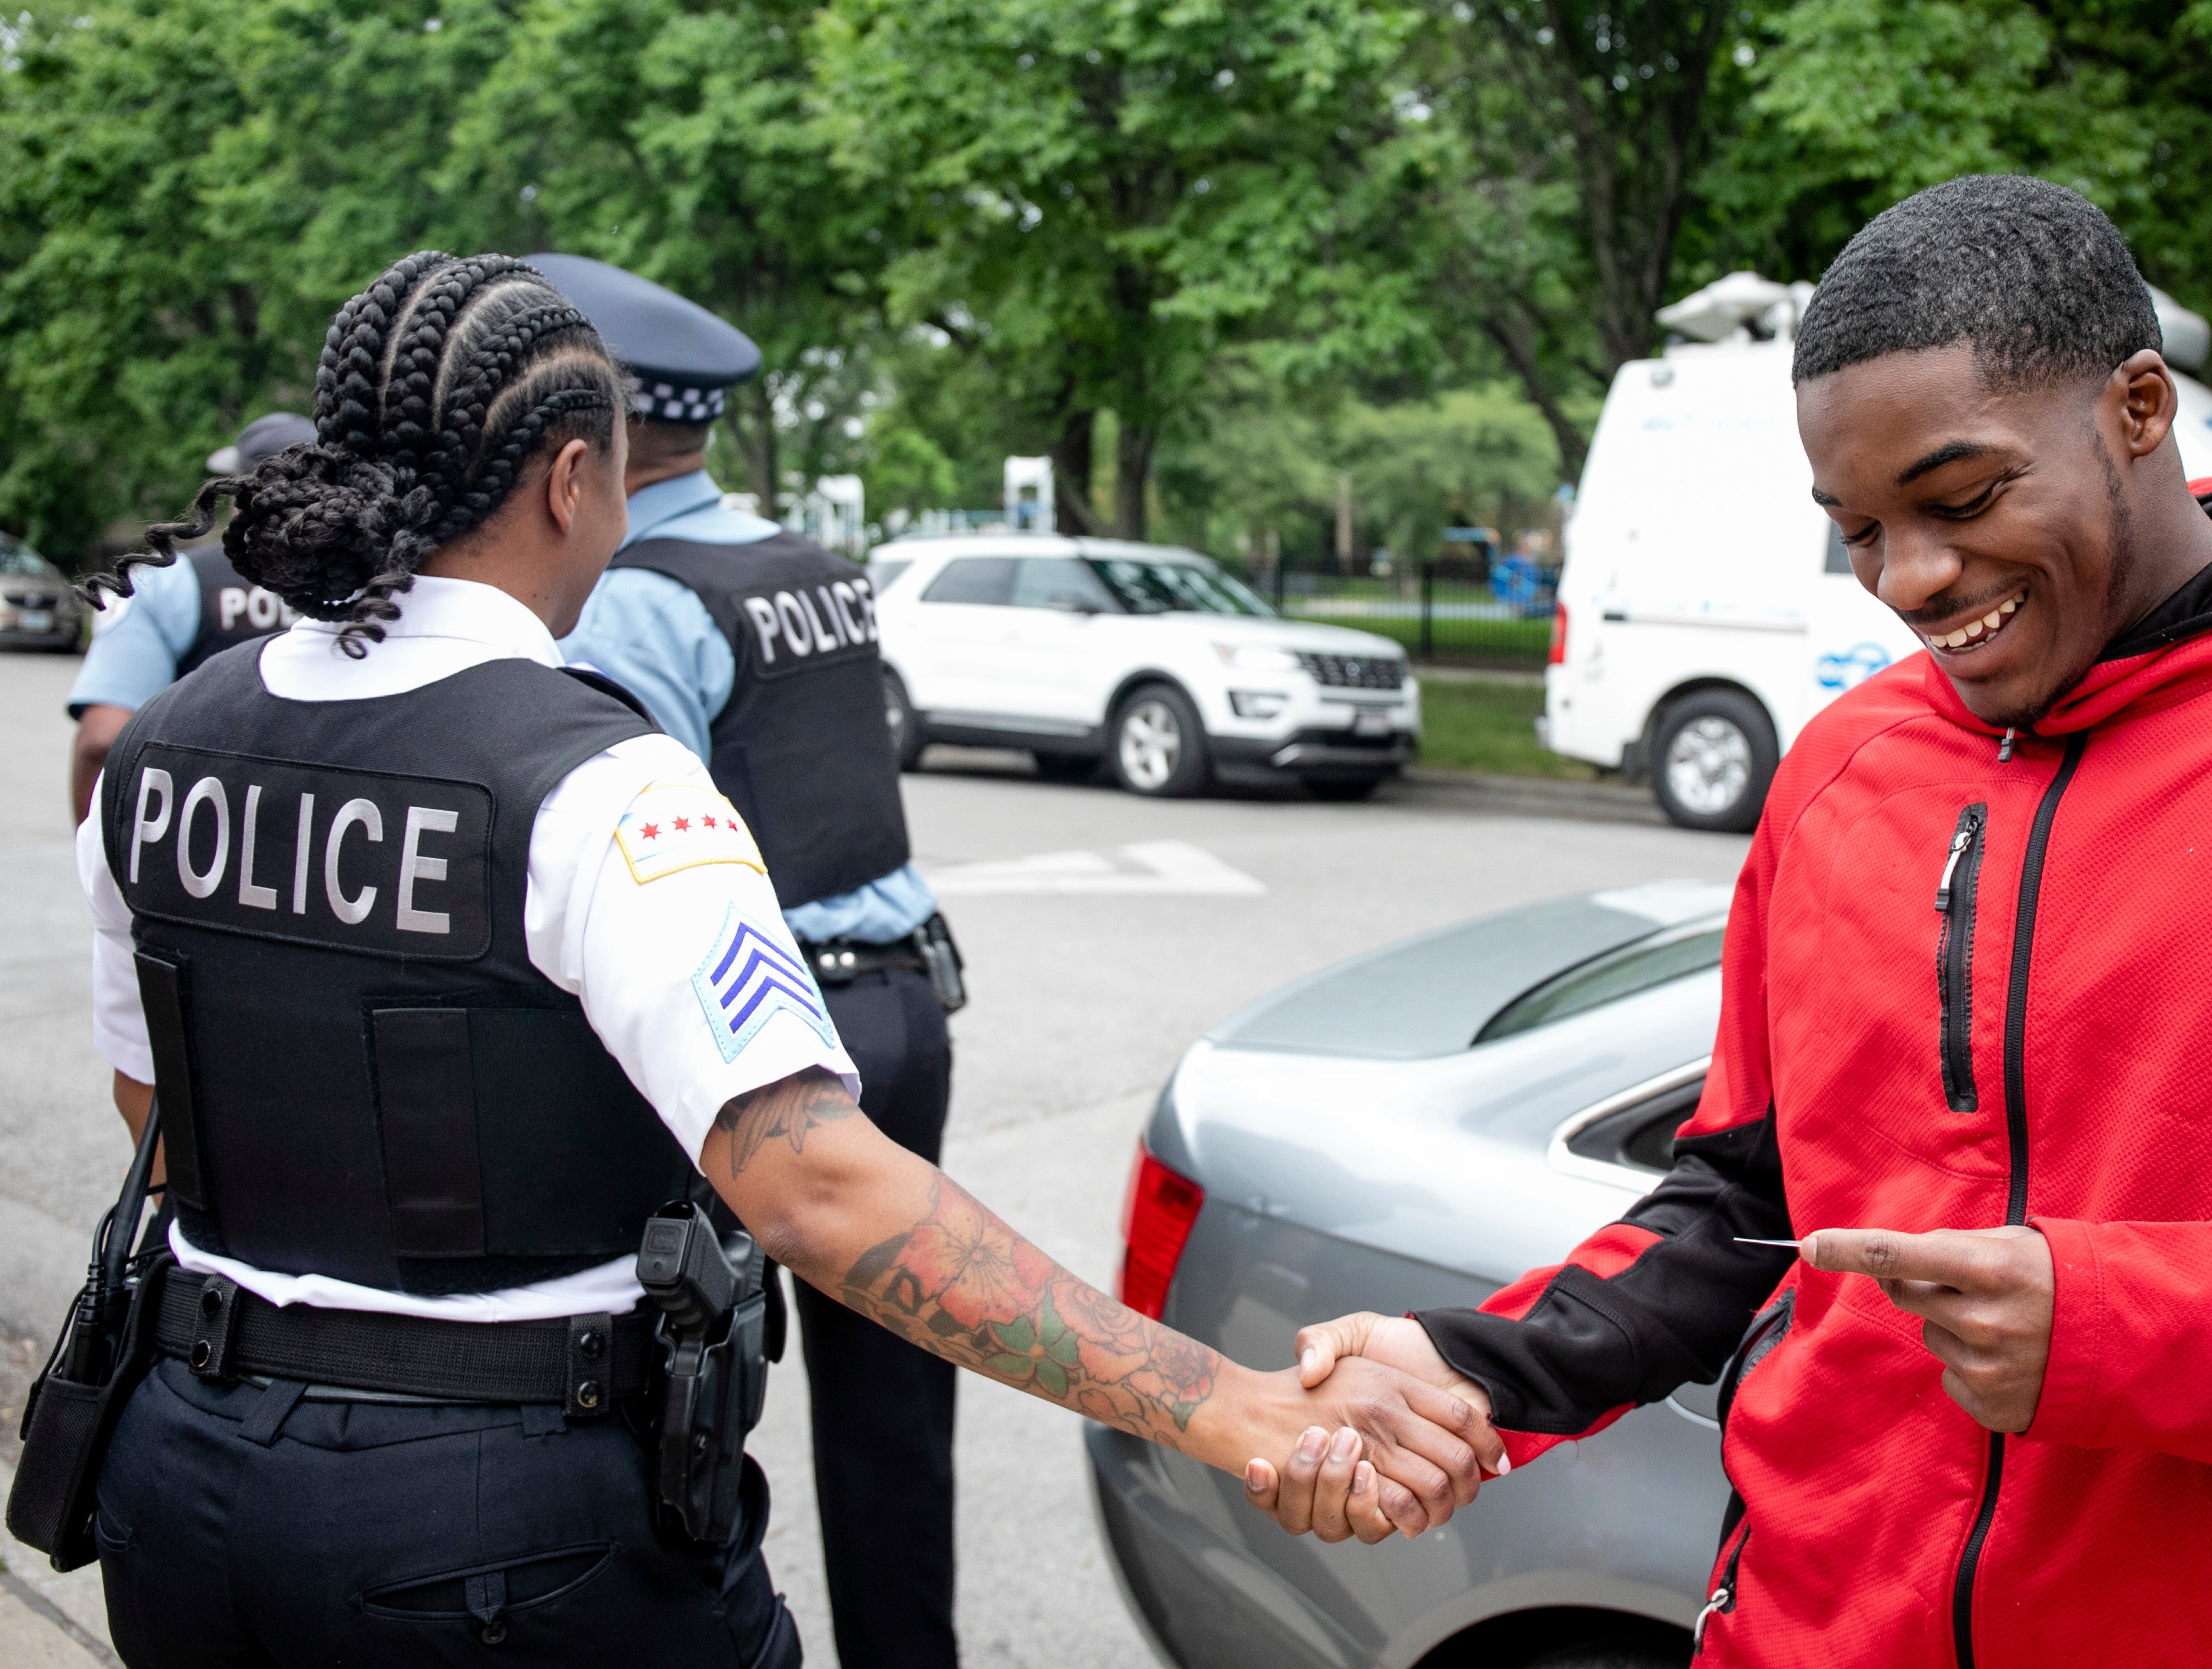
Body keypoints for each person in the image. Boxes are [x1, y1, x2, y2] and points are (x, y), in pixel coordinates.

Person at [1269, 176, 2212, 1666]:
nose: (1910, 581)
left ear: (2140, 410)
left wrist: (2134, 1331)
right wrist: (1480, 1367)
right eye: (1855, 527)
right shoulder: (1840, 771)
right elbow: (1744, 1200)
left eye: (1962, 497)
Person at [73, 252, 1498, 1668]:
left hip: (181, 1494)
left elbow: (165, 1116)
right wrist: (1233, 1405)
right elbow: (821, 1192)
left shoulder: (160, 750)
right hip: (503, 1541)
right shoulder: (597, 782)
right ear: (572, 481)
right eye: (621, 477)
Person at [532, 253, 965, 1669]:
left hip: (768, 1041)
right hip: (906, 1003)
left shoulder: (635, 600)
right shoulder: (809, 566)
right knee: (892, 1414)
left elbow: (630, 844)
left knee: (696, 1388)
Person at [65, 412, 317, 821]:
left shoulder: (172, 585)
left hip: (195, 842)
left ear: (237, 490)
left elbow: (102, 741)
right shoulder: (372, 587)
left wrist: (107, 868)